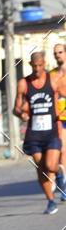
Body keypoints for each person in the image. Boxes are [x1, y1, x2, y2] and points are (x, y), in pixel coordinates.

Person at [14, 50, 66, 214]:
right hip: (34, 133)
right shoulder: (24, 83)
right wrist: (21, 113)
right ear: (30, 65)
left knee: (50, 165)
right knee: (41, 167)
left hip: (52, 130)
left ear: (44, 65)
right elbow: (16, 107)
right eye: (34, 66)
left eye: (40, 66)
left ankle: (59, 172)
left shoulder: (53, 79)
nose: (37, 69)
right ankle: (51, 201)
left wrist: (62, 113)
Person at [51, 42, 66, 198]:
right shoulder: (52, 75)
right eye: (55, 53)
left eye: (60, 52)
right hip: (60, 119)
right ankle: (63, 184)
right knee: (62, 151)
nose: (57, 55)